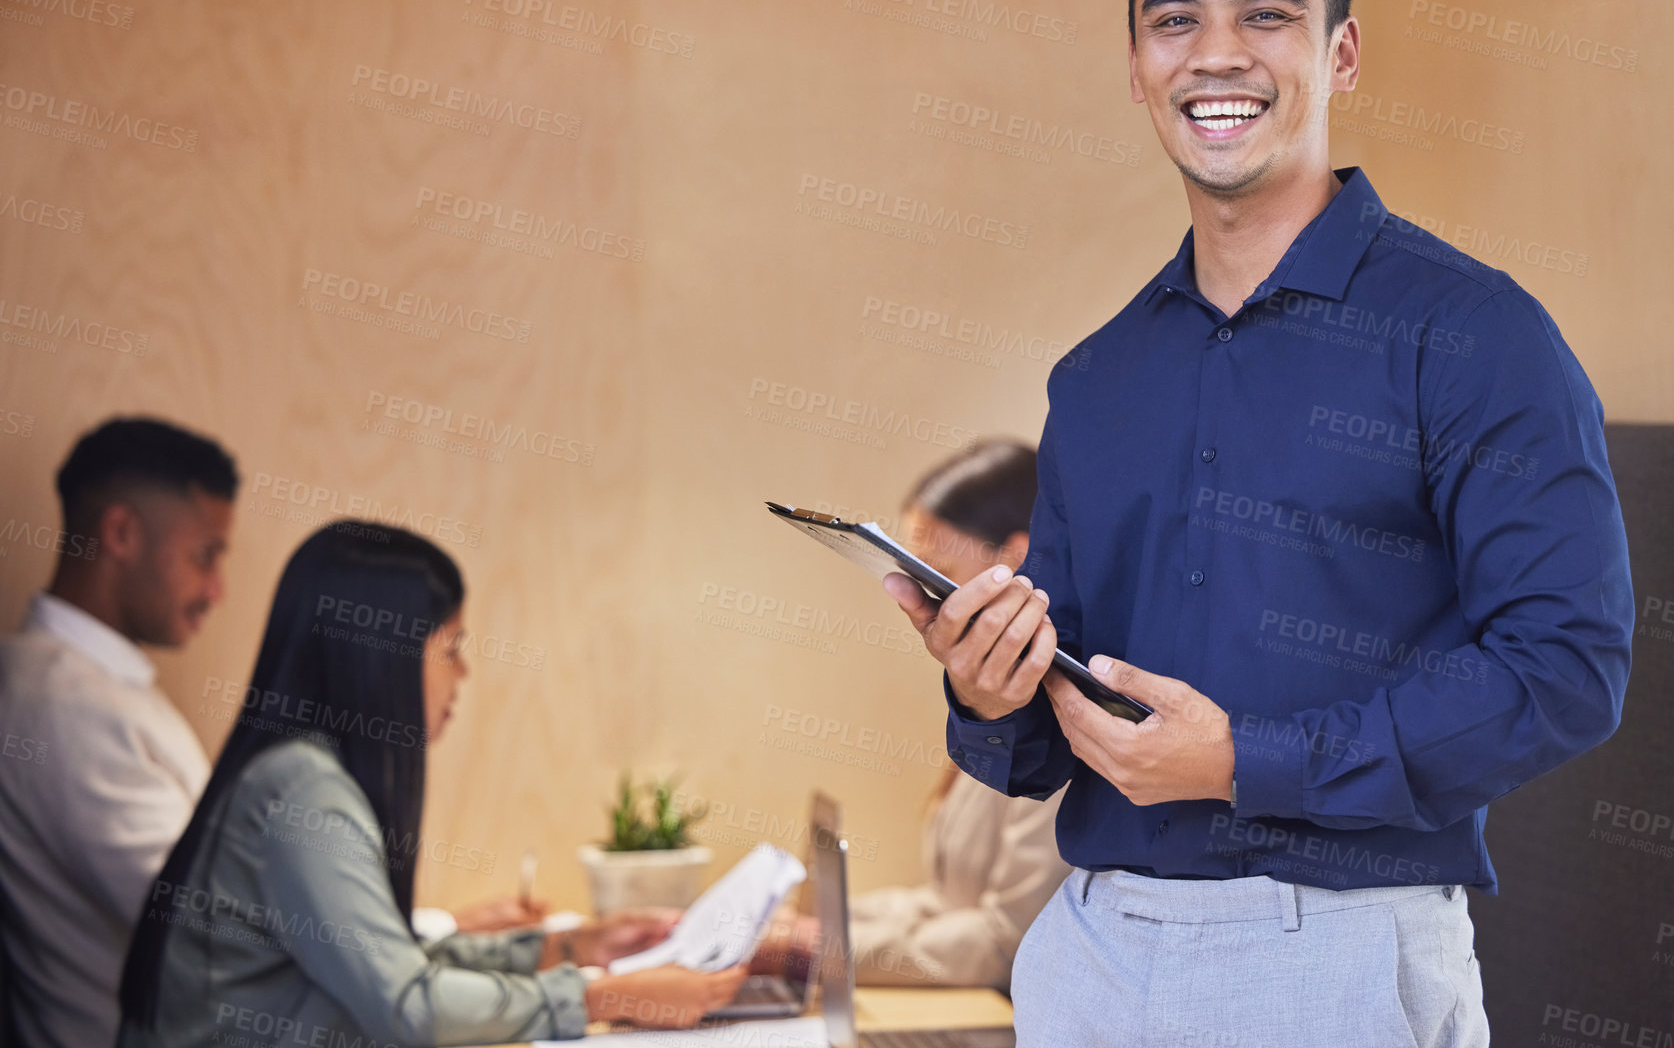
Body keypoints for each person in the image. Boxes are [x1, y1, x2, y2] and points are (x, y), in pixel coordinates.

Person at [885, 0, 1633, 1046]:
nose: (1215, 52)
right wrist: (987, 686)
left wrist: (1250, 761)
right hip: (1089, 948)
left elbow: (1567, 667)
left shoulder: (1476, 336)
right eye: (1173, 18)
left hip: (1335, 954)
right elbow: (1050, 718)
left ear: (1340, 54)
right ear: (1136, 65)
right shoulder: (1095, 378)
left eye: (1266, 14)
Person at [117, 521, 746, 1044]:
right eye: (451, 649)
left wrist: (570, 947)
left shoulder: (298, 770)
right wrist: (604, 996)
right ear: (383, 654)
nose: (462, 674)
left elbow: (397, 964)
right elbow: (410, 1005)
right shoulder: (302, 791)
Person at [0, 417, 238, 1048]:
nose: (217, 591)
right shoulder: (61, 705)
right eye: (204, 556)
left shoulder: (97, 690)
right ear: (122, 533)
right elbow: (215, 934)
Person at [850, 439, 1070, 990]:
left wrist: (818, 952)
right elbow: (949, 902)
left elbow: (1008, 940)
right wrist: (825, 930)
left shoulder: (1062, 721)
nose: (922, 597)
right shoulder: (988, 706)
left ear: (1013, 560)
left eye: (938, 571)